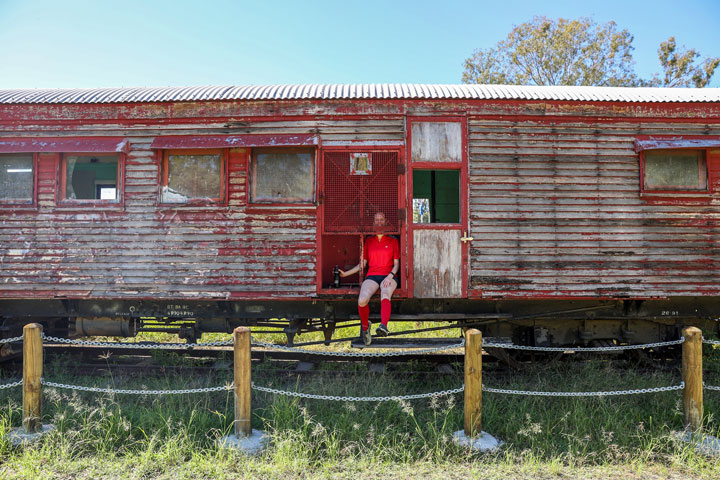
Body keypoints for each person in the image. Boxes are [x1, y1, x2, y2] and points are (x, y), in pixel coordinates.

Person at [339, 212, 400, 345]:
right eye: (376, 220)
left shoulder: (393, 241)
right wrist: (346, 274)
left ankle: (383, 326)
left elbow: (396, 265)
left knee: (385, 293)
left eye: (381, 219)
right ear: (373, 223)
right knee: (362, 300)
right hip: (372, 276)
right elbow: (363, 264)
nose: (378, 222)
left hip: (389, 275)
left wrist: (390, 276)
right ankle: (366, 328)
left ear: (385, 222)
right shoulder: (369, 241)